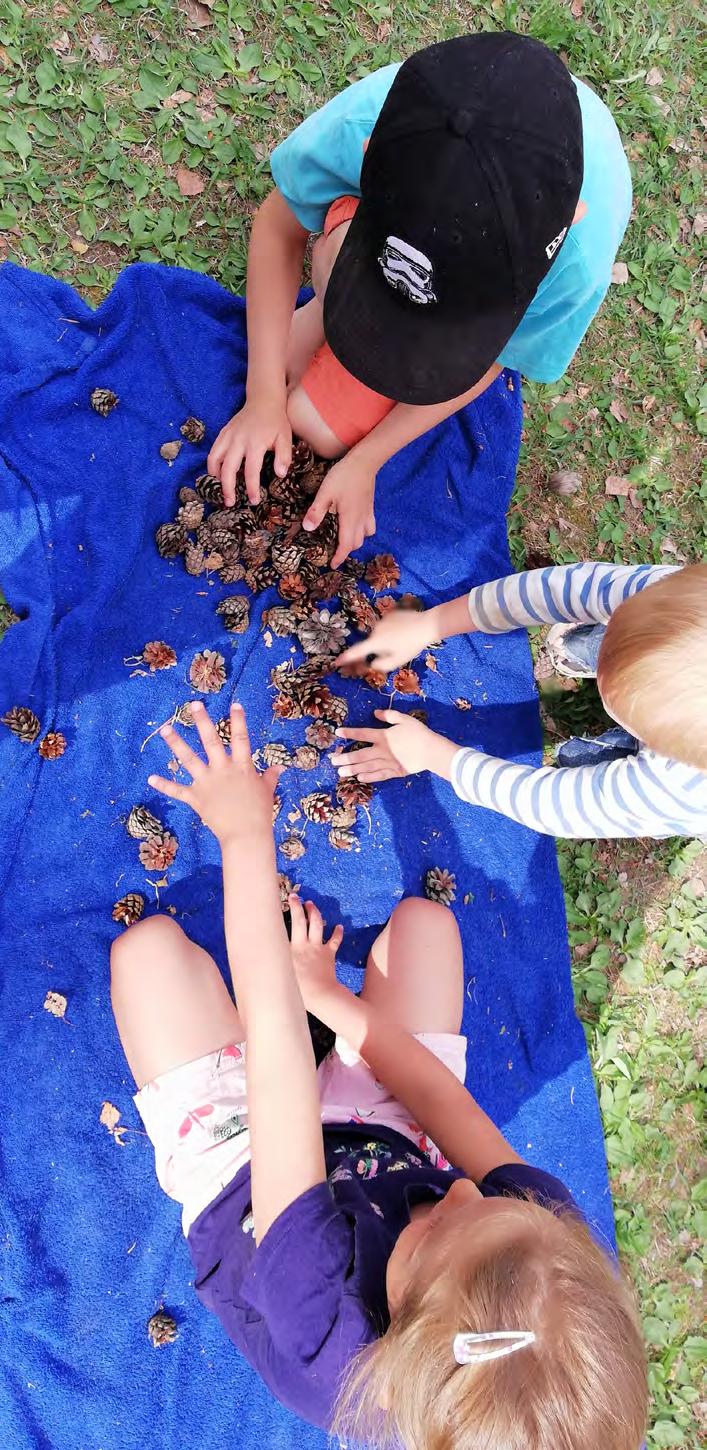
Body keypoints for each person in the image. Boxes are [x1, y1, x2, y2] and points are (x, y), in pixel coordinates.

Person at [110, 701, 647, 1446]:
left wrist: (242, 835)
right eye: (491, 1201)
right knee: (426, 929)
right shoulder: (541, 1258)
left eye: (440, 1225)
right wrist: (332, 1000)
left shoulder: (324, 1321)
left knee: (147, 956)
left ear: (397, 1328)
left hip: (245, 1169)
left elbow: (278, 1080)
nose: (462, 1186)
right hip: (383, 1143)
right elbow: (439, 1098)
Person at [206, 32, 631, 566]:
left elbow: (499, 356)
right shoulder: (373, 121)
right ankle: (335, 308)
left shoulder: (577, 259)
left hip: (459, 277)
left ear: (568, 226)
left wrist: (367, 460)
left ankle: (356, 316)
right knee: (294, 387)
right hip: (371, 240)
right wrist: (263, 394)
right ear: (371, 154)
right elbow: (279, 227)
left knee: (316, 427)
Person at [331, 560, 707, 840]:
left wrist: (432, 754)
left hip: (680, 789)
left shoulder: (679, 789)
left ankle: (622, 747)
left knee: (593, 781)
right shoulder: (673, 596)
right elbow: (559, 589)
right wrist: (431, 624)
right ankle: (607, 639)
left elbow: (552, 805)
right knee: (612, 606)